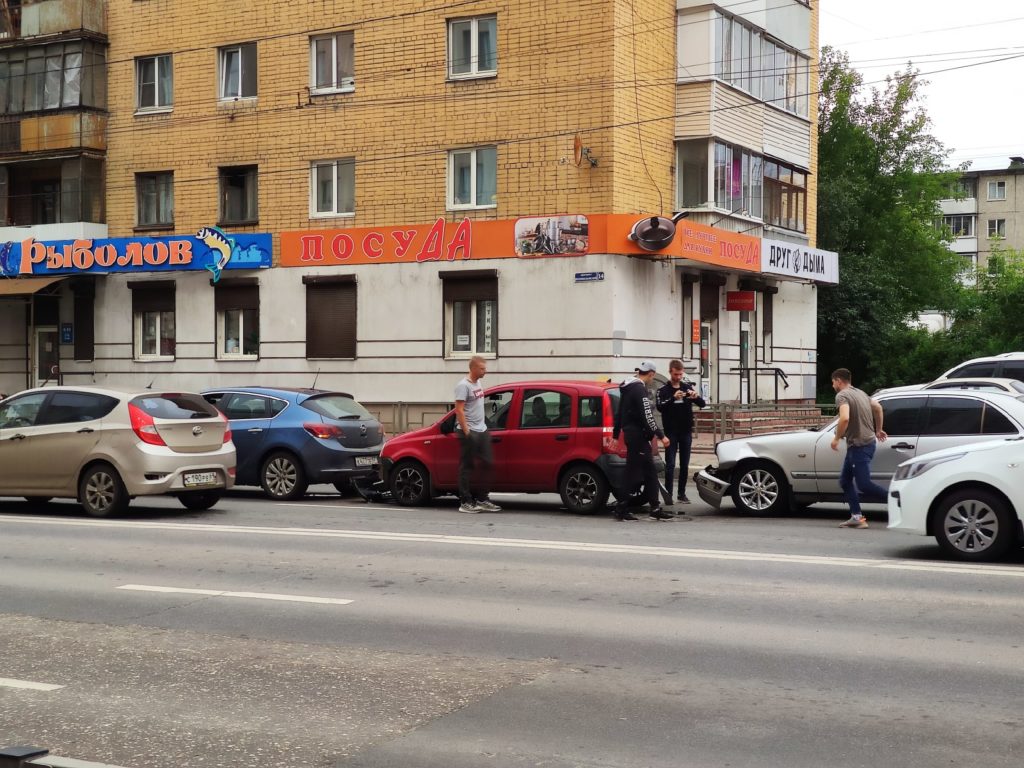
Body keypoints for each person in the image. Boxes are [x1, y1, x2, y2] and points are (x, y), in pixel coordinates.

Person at [612, 361, 672, 521]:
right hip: (638, 436)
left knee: (648, 471)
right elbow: (647, 415)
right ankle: (622, 507)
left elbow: (619, 413)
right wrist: (661, 435)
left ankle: (654, 507)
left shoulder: (627, 388)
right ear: (651, 374)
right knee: (634, 473)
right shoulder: (639, 389)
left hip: (633, 435)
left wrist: (616, 434)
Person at [830, 367, 888, 529]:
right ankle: (856, 517)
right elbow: (877, 407)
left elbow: (845, 418)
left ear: (839, 381)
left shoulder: (842, 395)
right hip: (864, 443)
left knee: (864, 484)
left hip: (860, 446)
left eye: (833, 382)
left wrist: (836, 438)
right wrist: (878, 429)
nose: (833, 386)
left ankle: (898, 500)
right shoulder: (861, 393)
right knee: (845, 480)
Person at [453, 356, 501, 514]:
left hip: (482, 429)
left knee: (488, 463)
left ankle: (482, 499)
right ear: (473, 369)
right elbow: (459, 410)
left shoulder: (478, 383)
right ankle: (465, 502)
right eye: (482, 368)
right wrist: (467, 431)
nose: (485, 371)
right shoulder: (463, 386)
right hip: (469, 431)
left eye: (485, 368)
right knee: (467, 466)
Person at [656, 359, 705, 504]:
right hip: (671, 431)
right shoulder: (663, 390)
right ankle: (668, 494)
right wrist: (673, 398)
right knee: (670, 465)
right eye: (676, 374)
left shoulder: (686, 387)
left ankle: (681, 494)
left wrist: (696, 397)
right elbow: (660, 407)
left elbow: (702, 404)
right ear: (670, 372)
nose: (678, 377)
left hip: (685, 431)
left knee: (684, 464)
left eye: (680, 374)